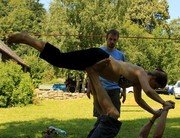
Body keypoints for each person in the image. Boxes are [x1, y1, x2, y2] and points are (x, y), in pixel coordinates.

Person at [7, 32, 173, 115]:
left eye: (155, 88)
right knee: (59, 58)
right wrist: (163, 102)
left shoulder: (137, 82)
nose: (152, 87)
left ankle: (28, 40)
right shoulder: (141, 72)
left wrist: (155, 112)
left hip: (95, 64)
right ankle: (26, 38)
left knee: (59, 60)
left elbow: (139, 100)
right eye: (155, 85)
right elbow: (149, 91)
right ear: (153, 78)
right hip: (98, 57)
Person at [80, 68, 175, 138]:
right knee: (104, 115)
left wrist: (165, 110)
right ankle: (92, 75)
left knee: (113, 114)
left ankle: (93, 73)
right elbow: (142, 137)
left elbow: (157, 136)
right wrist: (153, 118)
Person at [90, 29, 126, 119]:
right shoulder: (99, 52)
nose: (112, 41)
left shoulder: (121, 55)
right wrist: (89, 86)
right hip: (101, 88)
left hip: (115, 90)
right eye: (110, 39)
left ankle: (109, 133)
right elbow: (92, 70)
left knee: (114, 116)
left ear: (117, 40)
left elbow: (123, 75)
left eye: (114, 40)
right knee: (101, 116)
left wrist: (124, 91)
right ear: (106, 39)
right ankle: (98, 132)